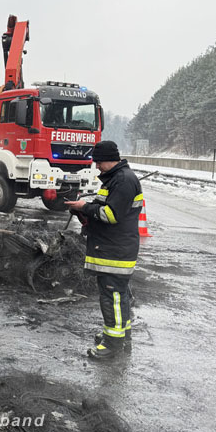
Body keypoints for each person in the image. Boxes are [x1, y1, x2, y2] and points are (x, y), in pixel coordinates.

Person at [65, 140, 143, 360]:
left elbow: (111, 215)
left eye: (98, 162)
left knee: (113, 297)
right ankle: (121, 336)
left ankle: (113, 344)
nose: (97, 167)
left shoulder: (123, 181)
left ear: (109, 159)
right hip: (113, 247)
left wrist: (84, 208)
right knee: (119, 296)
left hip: (115, 251)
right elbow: (104, 208)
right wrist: (85, 211)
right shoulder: (116, 179)